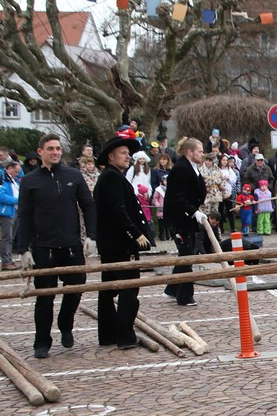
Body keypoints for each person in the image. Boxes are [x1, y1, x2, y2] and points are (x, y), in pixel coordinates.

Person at [15, 134, 97, 358]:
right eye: (50, 148)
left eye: (58, 148)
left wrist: (91, 236)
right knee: (44, 297)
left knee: (76, 289)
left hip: (71, 246)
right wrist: (24, 249)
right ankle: (42, 341)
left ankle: (65, 322)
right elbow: (24, 215)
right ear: (40, 151)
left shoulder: (73, 175)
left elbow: (88, 206)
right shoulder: (29, 181)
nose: (55, 152)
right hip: (44, 248)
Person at [92, 136, 151, 349]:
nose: (128, 157)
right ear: (111, 156)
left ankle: (108, 334)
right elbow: (118, 210)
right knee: (128, 290)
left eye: (128, 153)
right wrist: (135, 234)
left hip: (112, 243)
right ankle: (125, 336)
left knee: (108, 289)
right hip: (120, 244)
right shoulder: (111, 177)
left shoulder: (112, 176)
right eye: (123, 153)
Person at [163, 137, 207, 307]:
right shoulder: (181, 169)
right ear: (190, 152)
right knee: (186, 254)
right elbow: (177, 197)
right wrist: (193, 211)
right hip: (179, 218)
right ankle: (184, 296)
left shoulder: (193, 168)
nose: (202, 154)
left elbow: (196, 192)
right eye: (200, 151)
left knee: (187, 253)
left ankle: (172, 289)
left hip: (187, 216)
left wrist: (196, 209)